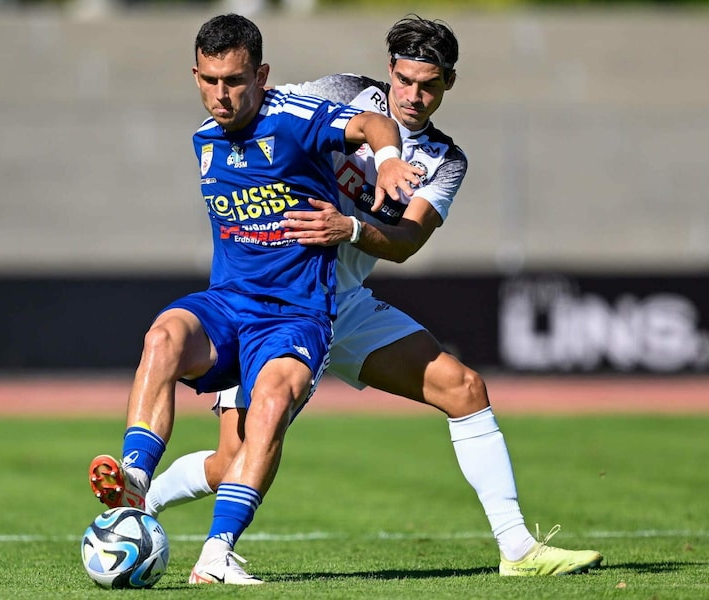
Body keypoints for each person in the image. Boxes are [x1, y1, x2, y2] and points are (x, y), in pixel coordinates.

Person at [140, 14, 604, 581]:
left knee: (465, 388)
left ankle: (517, 549)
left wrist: (352, 230)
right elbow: (266, 109)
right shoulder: (339, 94)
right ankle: (144, 504)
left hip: (344, 304)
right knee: (231, 460)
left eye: (428, 85)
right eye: (404, 81)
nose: (413, 96)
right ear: (389, 73)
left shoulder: (445, 161)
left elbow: (408, 242)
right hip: (270, 295)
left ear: (448, 85)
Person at [87, 12, 423, 587]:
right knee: (163, 336)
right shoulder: (204, 141)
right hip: (229, 304)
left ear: (261, 74)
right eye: (211, 80)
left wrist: (390, 160)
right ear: (195, 75)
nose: (223, 94)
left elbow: (372, 124)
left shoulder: (294, 120)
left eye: (236, 80)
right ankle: (136, 481)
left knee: (266, 409)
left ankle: (217, 554)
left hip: (296, 316)